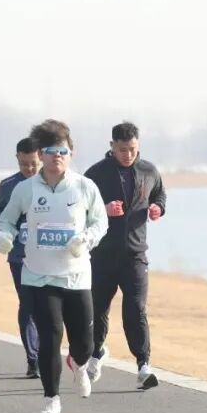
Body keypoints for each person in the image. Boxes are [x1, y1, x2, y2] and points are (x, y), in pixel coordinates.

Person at [0, 120, 107, 413]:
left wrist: (86, 239)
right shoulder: (26, 189)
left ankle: (81, 365)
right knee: (50, 336)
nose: (56, 156)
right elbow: (6, 220)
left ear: (71, 153)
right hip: (38, 275)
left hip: (76, 275)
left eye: (62, 151)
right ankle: (51, 398)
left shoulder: (84, 186)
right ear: (40, 154)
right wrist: (3, 236)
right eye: (50, 151)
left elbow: (101, 221)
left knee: (85, 341)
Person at [84, 122, 166, 389]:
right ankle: (96, 352)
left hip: (135, 255)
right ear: (111, 146)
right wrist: (103, 209)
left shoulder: (149, 171)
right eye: (122, 150)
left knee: (136, 310)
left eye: (132, 149)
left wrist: (157, 208)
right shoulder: (95, 174)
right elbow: (78, 210)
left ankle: (143, 365)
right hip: (102, 255)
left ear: (138, 145)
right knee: (98, 309)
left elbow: (160, 195)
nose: (127, 155)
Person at [0, 139, 41, 378]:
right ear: (17, 159)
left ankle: (48, 352)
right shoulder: (9, 184)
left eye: (33, 164)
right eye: (24, 164)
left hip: (49, 254)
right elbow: (0, 214)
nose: (30, 169)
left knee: (50, 306)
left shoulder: (55, 182)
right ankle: (33, 358)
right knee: (28, 304)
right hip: (20, 255)